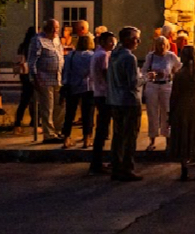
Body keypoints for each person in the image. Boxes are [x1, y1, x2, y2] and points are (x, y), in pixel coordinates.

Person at [168, 45, 195, 181]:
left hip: (182, 106)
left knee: (183, 135)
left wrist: (171, 111)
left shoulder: (180, 74)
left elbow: (174, 94)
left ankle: (184, 169)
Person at [106, 26, 144, 182]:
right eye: (135, 38)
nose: (138, 42)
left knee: (118, 135)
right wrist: (147, 77)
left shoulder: (114, 55)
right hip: (128, 101)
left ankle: (116, 166)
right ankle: (127, 168)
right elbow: (133, 82)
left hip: (115, 100)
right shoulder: (129, 58)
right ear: (127, 39)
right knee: (129, 136)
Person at [27, 19, 66, 143]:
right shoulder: (37, 40)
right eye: (53, 28)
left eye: (57, 27)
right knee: (47, 107)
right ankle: (49, 134)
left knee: (59, 106)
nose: (55, 30)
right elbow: (32, 60)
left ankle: (58, 130)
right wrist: (34, 78)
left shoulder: (56, 39)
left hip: (58, 78)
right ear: (46, 28)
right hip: (44, 79)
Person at [140, 36, 181, 151]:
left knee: (167, 112)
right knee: (152, 112)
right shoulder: (151, 56)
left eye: (163, 44)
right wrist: (150, 74)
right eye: (159, 44)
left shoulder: (171, 56)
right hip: (153, 85)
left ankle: (168, 140)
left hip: (166, 85)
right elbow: (143, 71)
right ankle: (152, 140)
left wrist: (172, 75)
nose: (161, 46)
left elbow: (179, 68)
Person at [60, 34, 97, 149]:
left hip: (73, 86)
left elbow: (66, 71)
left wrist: (65, 83)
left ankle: (66, 138)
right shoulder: (92, 56)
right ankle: (87, 138)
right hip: (88, 86)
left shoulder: (71, 55)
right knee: (88, 113)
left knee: (70, 113)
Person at [88, 31, 117, 175]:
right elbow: (107, 74)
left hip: (98, 93)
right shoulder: (103, 55)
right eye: (110, 41)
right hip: (105, 94)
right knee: (103, 129)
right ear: (103, 41)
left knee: (101, 129)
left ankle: (97, 162)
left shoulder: (96, 54)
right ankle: (97, 163)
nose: (113, 44)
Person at [13, 27, 37, 135]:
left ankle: (18, 122)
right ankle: (34, 122)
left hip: (24, 74)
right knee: (33, 99)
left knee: (25, 99)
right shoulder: (34, 45)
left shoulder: (22, 46)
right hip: (31, 73)